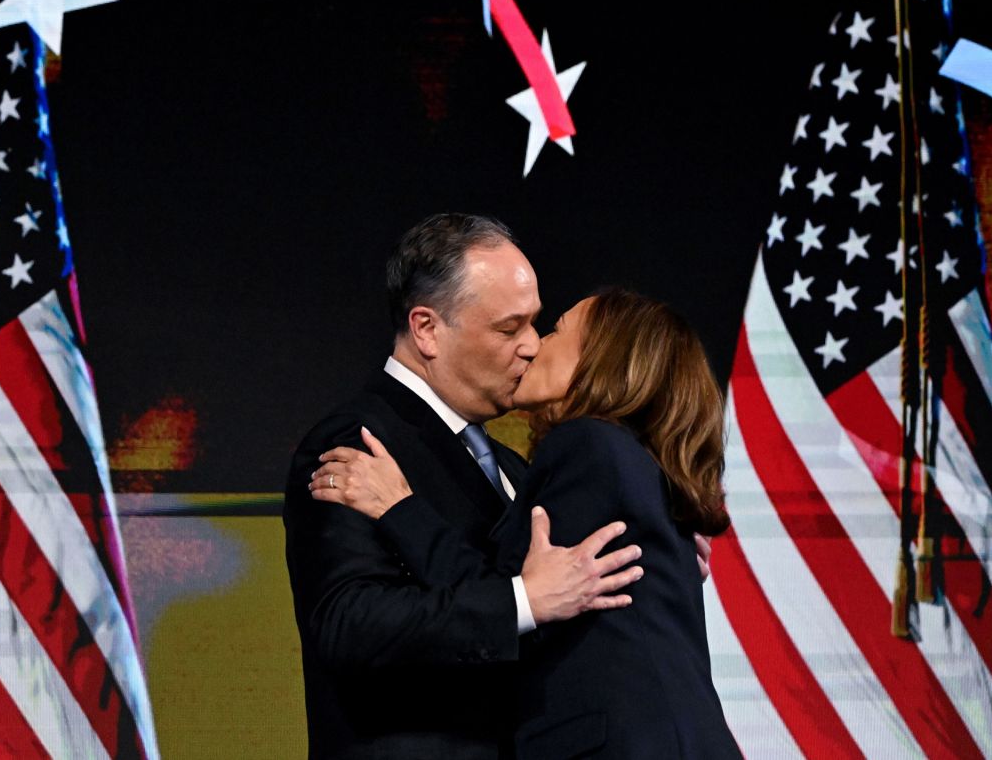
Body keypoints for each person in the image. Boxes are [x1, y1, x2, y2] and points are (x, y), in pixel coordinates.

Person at [313, 287, 738, 759]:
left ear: (605, 361)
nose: (536, 345)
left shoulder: (588, 445)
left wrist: (398, 507)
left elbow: (511, 596)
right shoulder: (636, 468)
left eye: (556, 330)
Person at [283, 214, 648, 760]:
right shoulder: (358, 442)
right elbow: (348, 623)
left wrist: (662, 547)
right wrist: (523, 600)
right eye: (508, 328)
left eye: (535, 325)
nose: (531, 346)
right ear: (427, 329)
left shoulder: (510, 465)